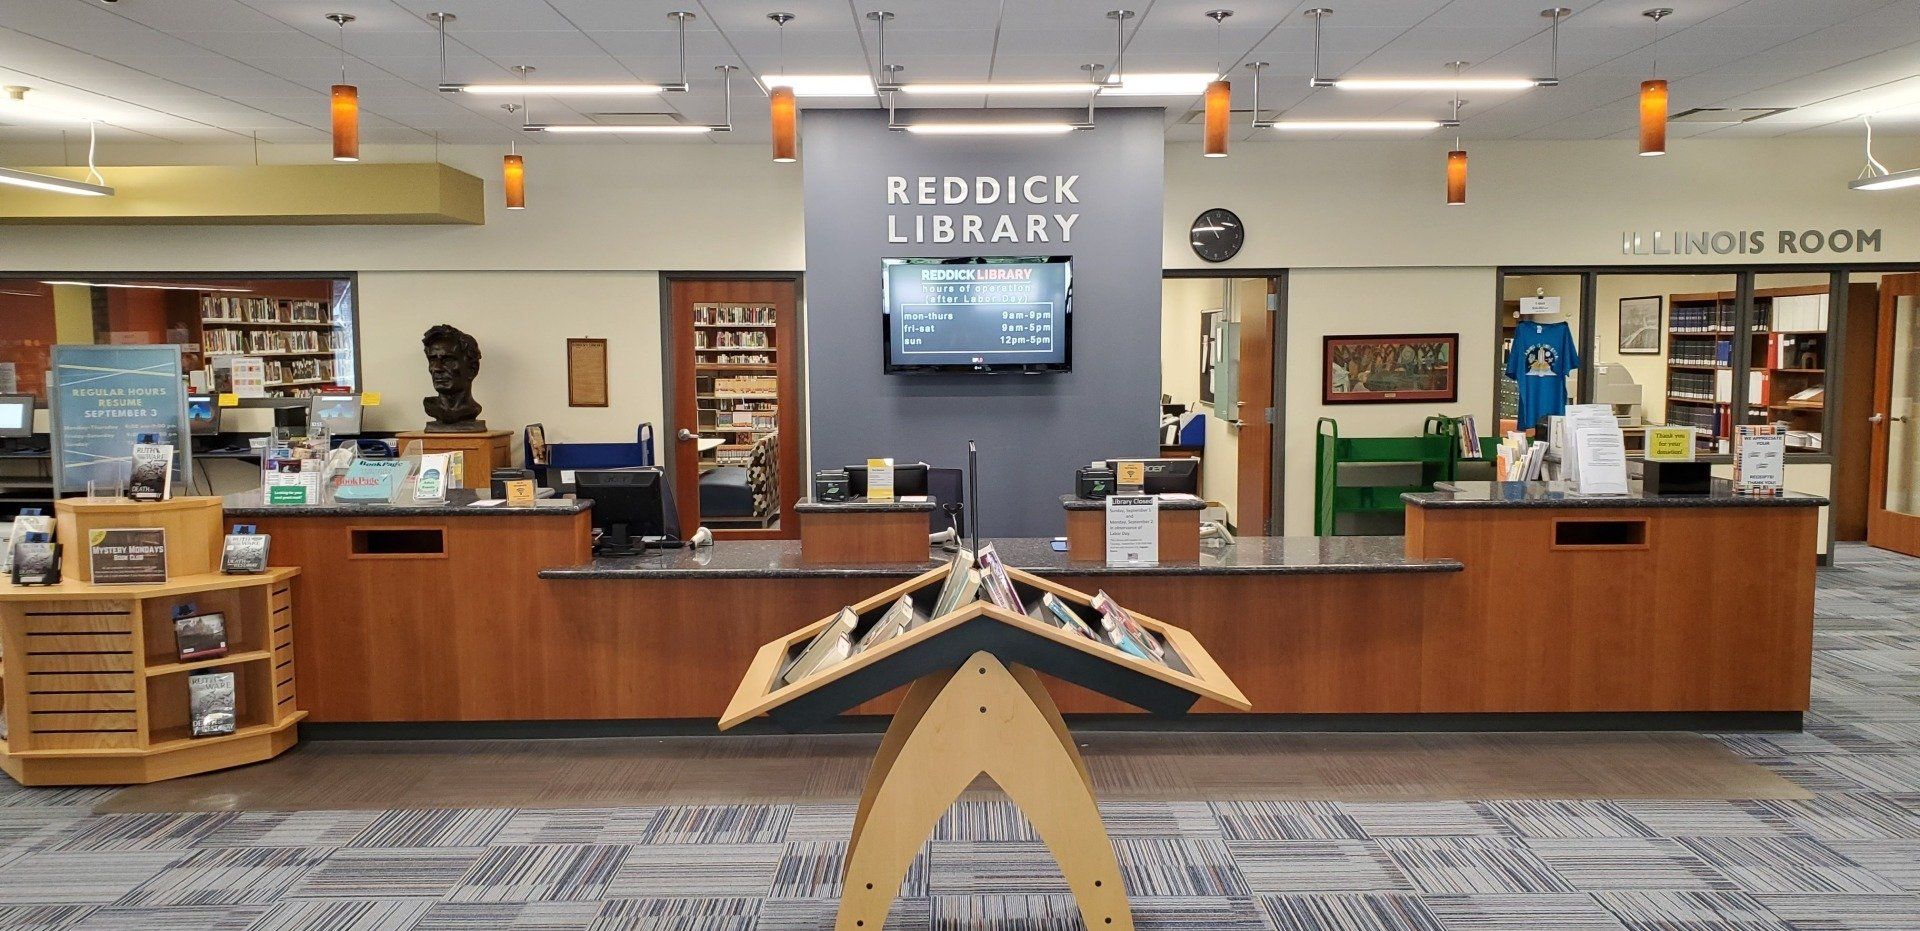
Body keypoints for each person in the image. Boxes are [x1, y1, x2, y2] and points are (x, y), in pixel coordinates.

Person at [422, 324, 485, 432]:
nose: (437, 368)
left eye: (448, 360)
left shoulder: (472, 410)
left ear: (472, 369)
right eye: (432, 360)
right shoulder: (430, 406)